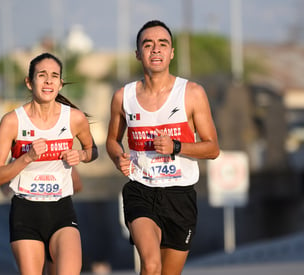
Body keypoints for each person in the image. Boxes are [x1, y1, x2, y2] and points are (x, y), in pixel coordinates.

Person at [106, 20, 219, 274]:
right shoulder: (123, 97)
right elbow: (112, 141)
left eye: (162, 44)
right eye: (148, 45)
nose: (155, 50)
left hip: (180, 195)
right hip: (140, 190)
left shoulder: (192, 93)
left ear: (171, 53)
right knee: (151, 263)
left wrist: (176, 146)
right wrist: (117, 158)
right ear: (138, 54)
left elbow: (212, 148)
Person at [0, 52, 98, 275]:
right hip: (25, 212)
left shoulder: (75, 118)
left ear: (60, 83)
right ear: (30, 82)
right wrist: (26, 157)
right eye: (42, 75)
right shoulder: (12, 121)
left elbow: (92, 151)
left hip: (61, 211)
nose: (49, 81)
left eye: (54, 76)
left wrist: (82, 156)